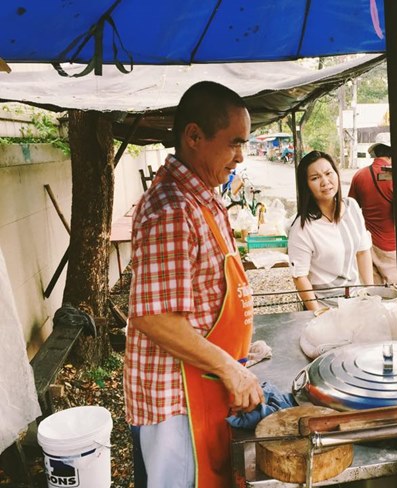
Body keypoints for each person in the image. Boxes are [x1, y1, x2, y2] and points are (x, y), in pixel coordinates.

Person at [124, 81, 264, 488]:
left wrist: (238, 351)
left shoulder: (203, 195)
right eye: (234, 143)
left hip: (204, 385)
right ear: (194, 136)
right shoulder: (172, 208)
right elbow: (156, 319)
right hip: (176, 402)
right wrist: (228, 368)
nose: (240, 156)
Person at [288, 150, 373, 312]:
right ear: (306, 185)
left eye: (328, 173)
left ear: (337, 174)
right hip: (325, 307)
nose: (325, 181)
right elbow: (300, 276)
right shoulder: (302, 228)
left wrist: (370, 292)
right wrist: (317, 311)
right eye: (315, 178)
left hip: (355, 302)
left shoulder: (352, 207)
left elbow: (363, 252)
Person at [348, 142, 397, 285]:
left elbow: (351, 208)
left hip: (366, 242)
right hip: (390, 244)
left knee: (374, 291)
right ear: (391, 155)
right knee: (396, 293)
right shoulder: (396, 176)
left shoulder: (359, 175)